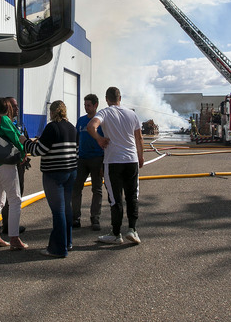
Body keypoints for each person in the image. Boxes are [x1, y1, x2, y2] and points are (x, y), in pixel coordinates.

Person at [87, 86, 144, 245]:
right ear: (120, 98)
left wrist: (99, 139)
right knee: (132, 195)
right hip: (131, 161)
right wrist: (140, 156)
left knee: (115, 198)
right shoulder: (132, 114)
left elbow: (91, 126)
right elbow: (139, 138)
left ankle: (116, 233)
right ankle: (133, 230)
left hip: (113, 161)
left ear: (107, 99)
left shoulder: (105, 112)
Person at [25, 100, 78, 257]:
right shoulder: (72, 128)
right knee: (67, 208)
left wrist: (25, 142)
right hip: (71, 172)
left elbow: (38, 150)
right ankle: (68, 242)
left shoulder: (51, 127)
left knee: (58, 211)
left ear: (53, 112)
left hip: (54, 174)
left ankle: (58, 248)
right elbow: (77, 151)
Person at [0, 97, 28, 250]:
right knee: (15, 200)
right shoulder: (4, 120)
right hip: (5, 164)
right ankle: (14, 238)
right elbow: (16, 138)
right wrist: (24, 153)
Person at [72, 94, 105, 230]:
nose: (86, 108)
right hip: (82, 160)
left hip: (97, 159)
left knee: (97, 189)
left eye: (89, 105)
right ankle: (75, 218)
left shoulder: (102, 122)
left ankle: (95, 219)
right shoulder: (80, 121)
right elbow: (76, 139)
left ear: (96, 105)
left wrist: (104, 163)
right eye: (85, 105)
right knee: (76, 188)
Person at [1, 97, 29, 236]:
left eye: (17, 106)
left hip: (19, 163)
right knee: (13, 196)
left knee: (16, 193)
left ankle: (8, 224)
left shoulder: (17, 124)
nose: (17, 108)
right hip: (12, 163)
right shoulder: (5, 123)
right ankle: (9, 226)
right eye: (14, 106)